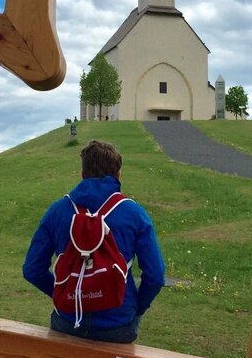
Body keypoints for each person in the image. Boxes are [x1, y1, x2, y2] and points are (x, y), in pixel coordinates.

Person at [22, 140, 165, 343]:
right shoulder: (134, 213)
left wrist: (65, 294)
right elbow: (156, 275)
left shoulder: (57, 211)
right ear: (118, 175)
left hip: (67, 321)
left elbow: (32, 269)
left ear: (82, 175)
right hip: (117, 323)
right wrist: (136, 307)